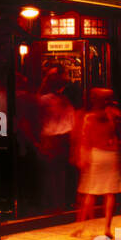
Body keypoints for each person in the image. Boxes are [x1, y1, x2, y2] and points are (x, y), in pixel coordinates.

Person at [72, 87, 121, 236]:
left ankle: (81, 226)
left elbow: (85, 139)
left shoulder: (89, 117)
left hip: (96, 155)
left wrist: (82, 157)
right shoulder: (114, 115)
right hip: (111, 155)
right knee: (110, 193)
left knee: (90, 192)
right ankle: (107, 228)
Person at [36, 68, 75, 212]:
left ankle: (53, 204)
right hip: (63, 137)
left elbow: (38, 117)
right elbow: (72, 121)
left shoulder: (45, 100)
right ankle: (60, 202)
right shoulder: (65, 101)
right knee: (61, 171)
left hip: (50, 138)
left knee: (50, 172)